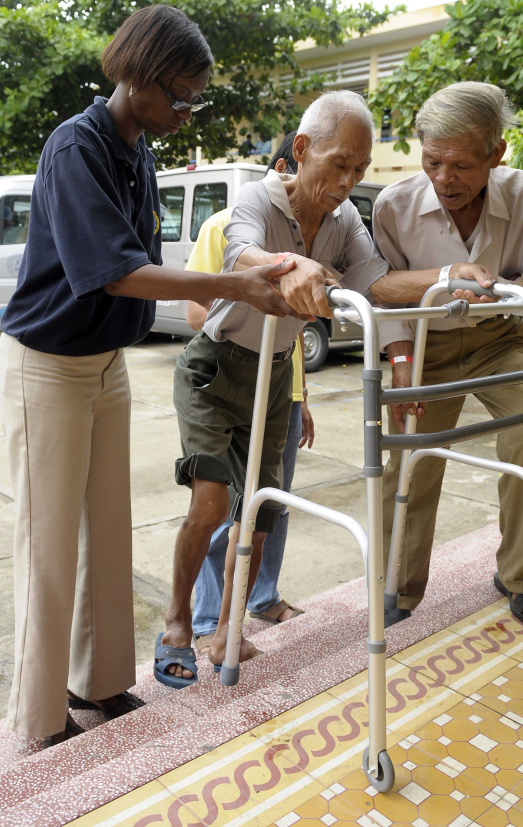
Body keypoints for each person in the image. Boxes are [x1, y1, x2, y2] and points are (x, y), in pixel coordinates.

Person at [0, 4, 297, 748]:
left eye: (195, 97)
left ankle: (98, 685)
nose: (187, 112)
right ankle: (38, 721)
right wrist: (230, 287)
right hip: (47, 370)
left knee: (107, 533)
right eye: (180, 95)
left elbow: (142, 268)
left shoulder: (139, 153)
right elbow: (113, 272)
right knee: (49, 544)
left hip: (105, 366)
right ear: (138, 76)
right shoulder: (77, 147)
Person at [154, 89, 495, 686]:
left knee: (258, 515)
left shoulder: (344, 222)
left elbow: (377, 283)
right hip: (216, 368)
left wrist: (447, 278)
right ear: (304, 149)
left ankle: (227, 629)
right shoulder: (258, 198)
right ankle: (178, 621)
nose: (348, 180)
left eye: (360, 169)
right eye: (339, 164)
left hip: (277, 371)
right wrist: (292, 266)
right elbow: (240, 253)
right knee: (210, 502)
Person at [374, 81, 523, 628]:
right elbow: (382, 289)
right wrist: (398, 361)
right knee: (410, 461)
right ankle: (397, 586)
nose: (445, 179)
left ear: (497, 154)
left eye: (462, 165)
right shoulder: (393, 207)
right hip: (425, 345)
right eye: (432, 161)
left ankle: (518, 576)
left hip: (503, 341)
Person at [186, 132, 313, 660]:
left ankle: (258, 598)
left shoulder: (309, 235)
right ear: (287, 166)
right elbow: (198, 312)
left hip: (285, 389)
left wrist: (305, 401)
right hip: (233, 381)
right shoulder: (225, 227)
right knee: (222, 509)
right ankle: (204, 619)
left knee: (268, 508)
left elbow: (296, 334)